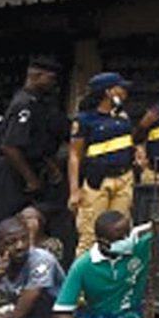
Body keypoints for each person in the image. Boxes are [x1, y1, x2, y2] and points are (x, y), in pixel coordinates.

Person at [0, 59, 69, 256]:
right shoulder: (24, 104)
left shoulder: (42, 104)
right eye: (51, 78)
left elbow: (40, 143)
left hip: (31, 169)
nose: (54, 83)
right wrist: (30, 179)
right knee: (10, 225)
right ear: (36, 76)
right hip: (13, 172)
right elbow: (10, 146)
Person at [52, 212, 159, 318]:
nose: (126, 240)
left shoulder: (140, 246)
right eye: (120, 238)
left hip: (129, 314)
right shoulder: (83, 265)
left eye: (128, 234)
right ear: (103, 242)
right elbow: (61, 312)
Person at [68, 74, 137, 256]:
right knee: (90, 236)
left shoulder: (122, 117)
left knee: (121, 235)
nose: (124, 93)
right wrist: (74, 191)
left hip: (123, 179)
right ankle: (82, 283)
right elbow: (75, 155)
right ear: (108, 92)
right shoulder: (84, 120)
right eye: (120, 88)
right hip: (97, 182)